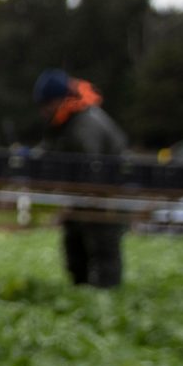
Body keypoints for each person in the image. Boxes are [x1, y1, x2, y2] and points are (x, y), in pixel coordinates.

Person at [35, 68, 128, 287]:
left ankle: (105, 297)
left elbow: (88, 169)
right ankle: (81, 291)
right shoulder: (68, 121)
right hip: (85, 197)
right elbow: (52, 148)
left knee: (103, 248)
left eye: (46, 105)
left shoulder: (84, 125)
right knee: (75, 245)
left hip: (105, 197)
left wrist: (73, 199)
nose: (43, 111)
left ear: (59, 100)